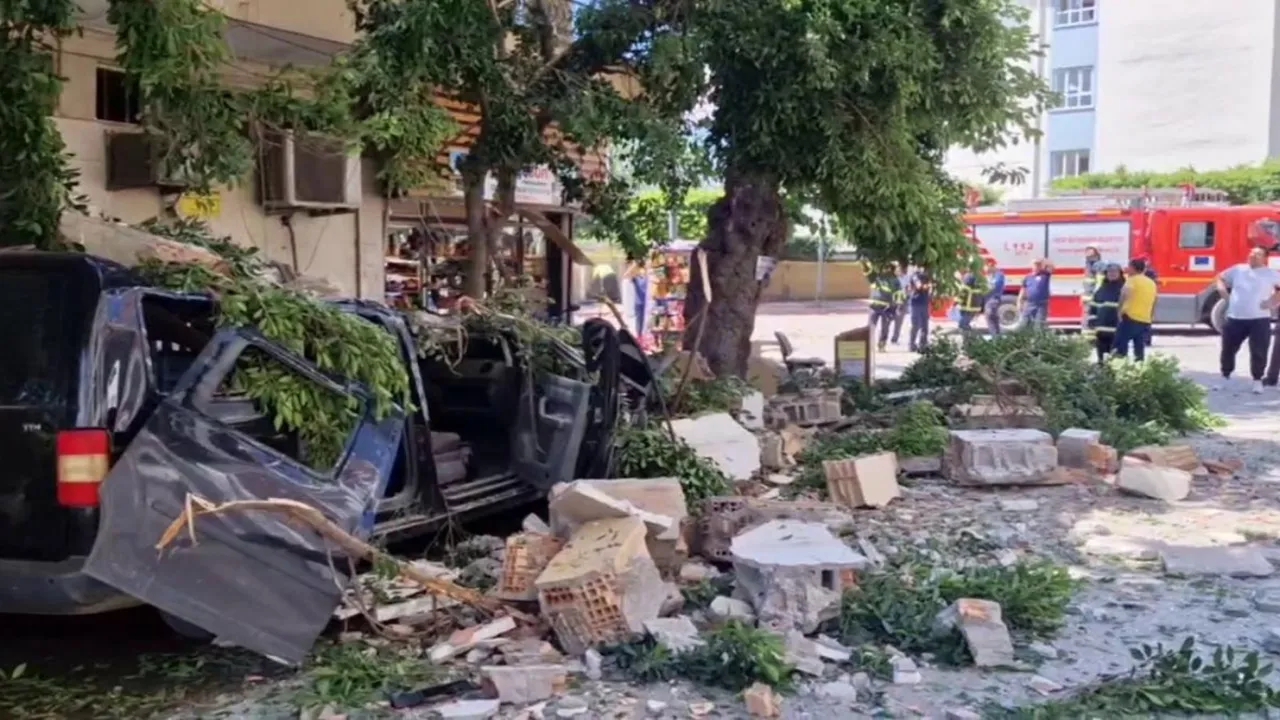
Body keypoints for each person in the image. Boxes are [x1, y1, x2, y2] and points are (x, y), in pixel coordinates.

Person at [1215, 247, 1280, 393]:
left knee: (1259, 351)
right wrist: (1224, 293)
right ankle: (1225, 377)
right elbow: (1220, 277)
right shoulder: (1238, 269)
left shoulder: (1270, 274)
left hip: (1259, 319)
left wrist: (1272, 301)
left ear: (1265, 258)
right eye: (1251, 253)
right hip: (1235, 317)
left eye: (1258, 254)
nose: (1253, 256)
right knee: (1228, 350)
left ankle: (1257, 381)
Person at [1112, 258, 1159, 361]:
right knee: (1139, 348)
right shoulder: (1151, 283)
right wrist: (1151, 316)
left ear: (1133, 268)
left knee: (1120, 345)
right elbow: (1155, 300)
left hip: (1130, 317)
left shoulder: (1132, 280)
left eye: (1129, 267)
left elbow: (1124, 295)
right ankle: (1139, 369)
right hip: (1144, 319)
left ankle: (1118, 368)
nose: (1127, 269)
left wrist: (1119, 311)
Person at [1086, 263, 1124, 364]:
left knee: (1117, 357)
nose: (1112, 274)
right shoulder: (1101, 289)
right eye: (1110, 272)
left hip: (1117, 329)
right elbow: (1093, 307)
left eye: (1115, 272)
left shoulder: (1124, 289)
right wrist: (1092, 321)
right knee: (1101, 356)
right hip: (1101, 329)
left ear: (1120, 274)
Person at [868, 264, 903, 351]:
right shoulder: (876, 277)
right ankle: (867, 344)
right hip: (874, 306)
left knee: (885, 328)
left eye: (886, 268)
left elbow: (899, 295)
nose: (885, 270)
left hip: (887, 308)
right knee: (870, 327)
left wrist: (897, 307)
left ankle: (882, 345)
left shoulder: (895, 281)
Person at [1018, 259, 1052, 326]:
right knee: (1024, 323)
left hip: (1041, 304)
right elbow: (1023, 289)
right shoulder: (1027, 277)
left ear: (1041, 266)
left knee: (1039, 325)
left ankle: (1038, 336)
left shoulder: (1045, 275)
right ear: (1032, 266)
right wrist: (1019, 301)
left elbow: (1052, 267)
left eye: (1039, 265)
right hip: (1029, 303)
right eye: (1035, 265)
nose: (1037, 266)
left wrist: (1044, 260)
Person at [907, 267, 932, 351]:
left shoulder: (927, 276)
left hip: (924, 303)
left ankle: (923, 344)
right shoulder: (915, 276)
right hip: (916, 302)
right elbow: (919, 286)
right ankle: (912, 344)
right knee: (915, 325)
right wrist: (929, 285)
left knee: (925, 325)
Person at [1081, 246, 1103, 332]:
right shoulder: (1089, 265)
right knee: (1088, 316)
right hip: (1088, 296)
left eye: (1091, 254)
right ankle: (1087, 334)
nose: (1088, 256)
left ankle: (1089, 334)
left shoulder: (1096, 265)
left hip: (1093, 296)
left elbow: (1099, 281)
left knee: (1091, 317)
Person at [956, 267, 985, 333]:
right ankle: (969, 340)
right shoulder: (979, 276)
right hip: (975, 305)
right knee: (965, 324)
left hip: (968, 306)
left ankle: (968, 341)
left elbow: (963, 291)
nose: (959, 271)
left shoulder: (968, 276)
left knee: (963, 325)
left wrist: (957, 301)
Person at [983, 257, 1007, 335]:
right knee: (992, 318)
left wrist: (983, 289)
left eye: (985, 266)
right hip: (987, 300)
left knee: (989, 315)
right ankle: (996, 336)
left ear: (991, 265)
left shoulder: (999, 275)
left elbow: (993, 286)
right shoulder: (989, 275)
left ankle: (994, 336)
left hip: (993, 299)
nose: (984, 269)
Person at [890, 265, 909, 345]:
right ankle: (883, 338)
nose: (898, 272)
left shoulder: (906, 278)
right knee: (887, 321)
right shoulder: (892, 279)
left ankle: (895, 338)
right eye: (897, 270)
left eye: (900, 270)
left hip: (903, 302)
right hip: (893, 302)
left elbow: (908, 289)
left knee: (899, 322)